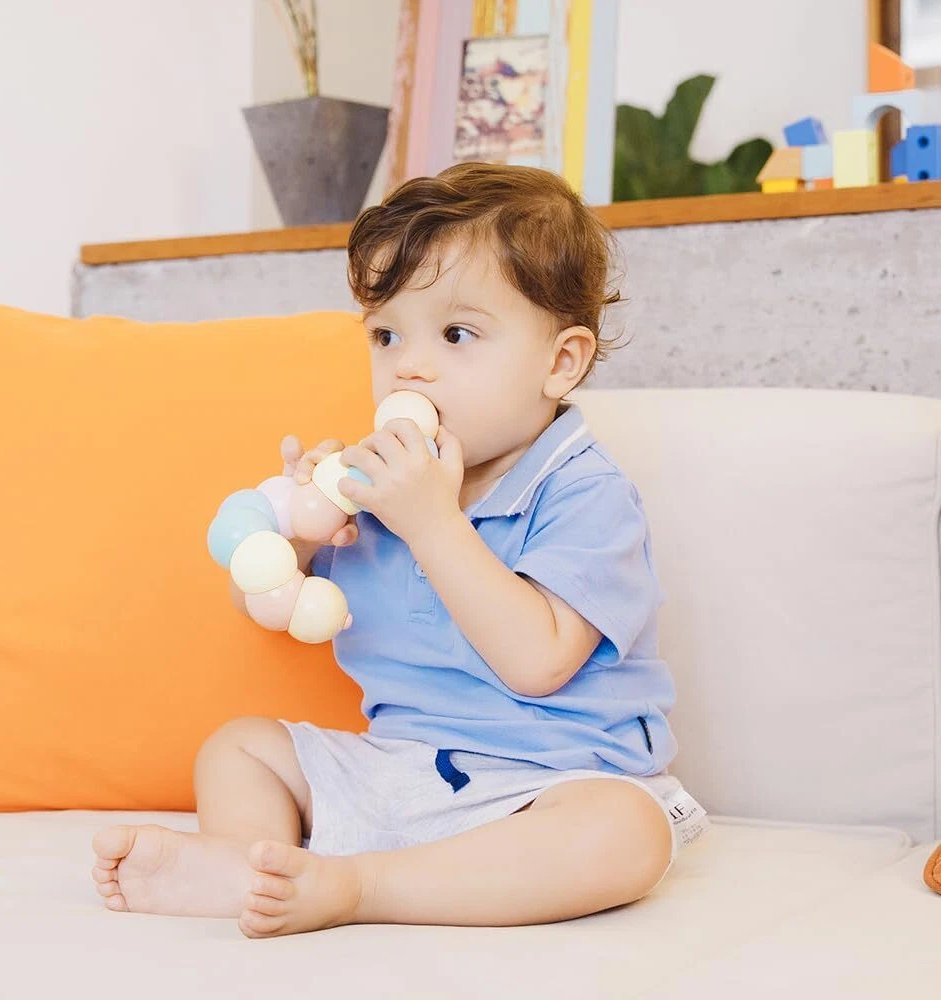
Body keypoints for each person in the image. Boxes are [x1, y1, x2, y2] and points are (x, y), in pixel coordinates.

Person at [91, 162, 708, 938]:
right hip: (399, 768)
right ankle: (251, 868)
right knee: (239, 748)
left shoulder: (583, 492)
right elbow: (261, 608)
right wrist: (296, 540)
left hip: (548, 786)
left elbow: (539, 662)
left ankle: (357, 886)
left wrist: (433, 523)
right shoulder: (379, 485)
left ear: (560, 362)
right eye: (386, 335)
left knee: (625, 834)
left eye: (457, 335)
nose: (409, 365)